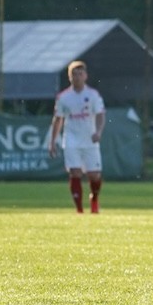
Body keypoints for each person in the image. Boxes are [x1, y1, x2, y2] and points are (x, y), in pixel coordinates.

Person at [49, 61, 106, 214]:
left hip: (90, 140)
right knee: (75, 173)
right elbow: (58, 119)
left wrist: (98, 132)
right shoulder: (63, 97)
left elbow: (100, 115)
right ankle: (79, 210)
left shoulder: (93, 95)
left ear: (85, 76)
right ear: (69, 77)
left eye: (80, 74)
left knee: (94, 175)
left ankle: (94, 199)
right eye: (74, 74)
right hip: (71, 139)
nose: (77, 77)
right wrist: (52, 141)